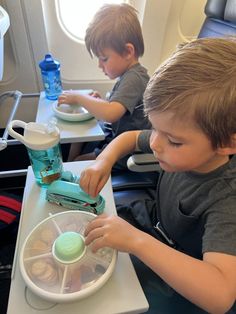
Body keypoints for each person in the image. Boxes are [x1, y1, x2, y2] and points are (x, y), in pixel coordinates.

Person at [79, 37, 236, 313]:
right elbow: (129, 137)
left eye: (173, 141)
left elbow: (220, 295)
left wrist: (137, 241)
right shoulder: (176, 134)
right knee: (87, 235)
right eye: (155, 128)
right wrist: (102, 162)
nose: (155, 144)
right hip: (152, 221)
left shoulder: (227, 198)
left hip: (184, 265)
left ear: (227, 144)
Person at [58, 3, 150, 169]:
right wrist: (98, 102)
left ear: (128, 52)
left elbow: (110, 114)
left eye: (104, 59)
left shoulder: (134, 78)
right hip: (116, 138)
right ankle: (69, 165)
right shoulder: (129, 75)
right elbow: (114, 107)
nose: (100, 65)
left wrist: (80, 97)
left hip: (125, 151)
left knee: (79, 162)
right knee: (81, 131)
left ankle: (71, 168)